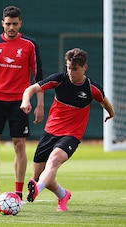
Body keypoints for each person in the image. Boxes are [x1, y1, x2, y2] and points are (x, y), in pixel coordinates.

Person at [20, 48, 115, 211]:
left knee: (54, 160)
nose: (70, 72)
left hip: (71, 135)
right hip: (50, 132)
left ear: (84, 67)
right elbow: (31, 89)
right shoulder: (59, 79)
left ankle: (37, 190)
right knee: (38, 176)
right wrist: (25, 101)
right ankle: (63, 195)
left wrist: (110, 114)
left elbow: (104, 101)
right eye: (69, 67)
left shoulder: (92, 88)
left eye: (75, 69)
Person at [0, 5, 44, 203]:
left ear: (20, 23)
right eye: (8, 24)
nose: (11, 27)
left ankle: (18, 193)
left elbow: (38, 76)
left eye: (15, 24)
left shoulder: (30, 44)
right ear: (2, 23)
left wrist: (39, 104)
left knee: (19, 145)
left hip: (20, 102)